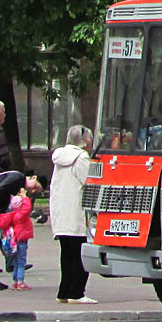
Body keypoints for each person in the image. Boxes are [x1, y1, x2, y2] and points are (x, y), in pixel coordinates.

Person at [51, 124, 97, 304]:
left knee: (66, 253)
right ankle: (77, 292)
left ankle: (64, 291)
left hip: (61, 211)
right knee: (80, 253)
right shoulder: (82, 157)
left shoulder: (60, 156)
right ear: (85, 140)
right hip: (76, 211)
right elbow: (88, 181)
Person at [0, 189, 34, 290]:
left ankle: (15, 281)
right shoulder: (21, 215)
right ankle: (20, 281)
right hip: (22, 238)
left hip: (15, 240)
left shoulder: (12, 215)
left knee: (16, 261)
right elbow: (27, 207)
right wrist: (25, 197)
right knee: (21, 261)